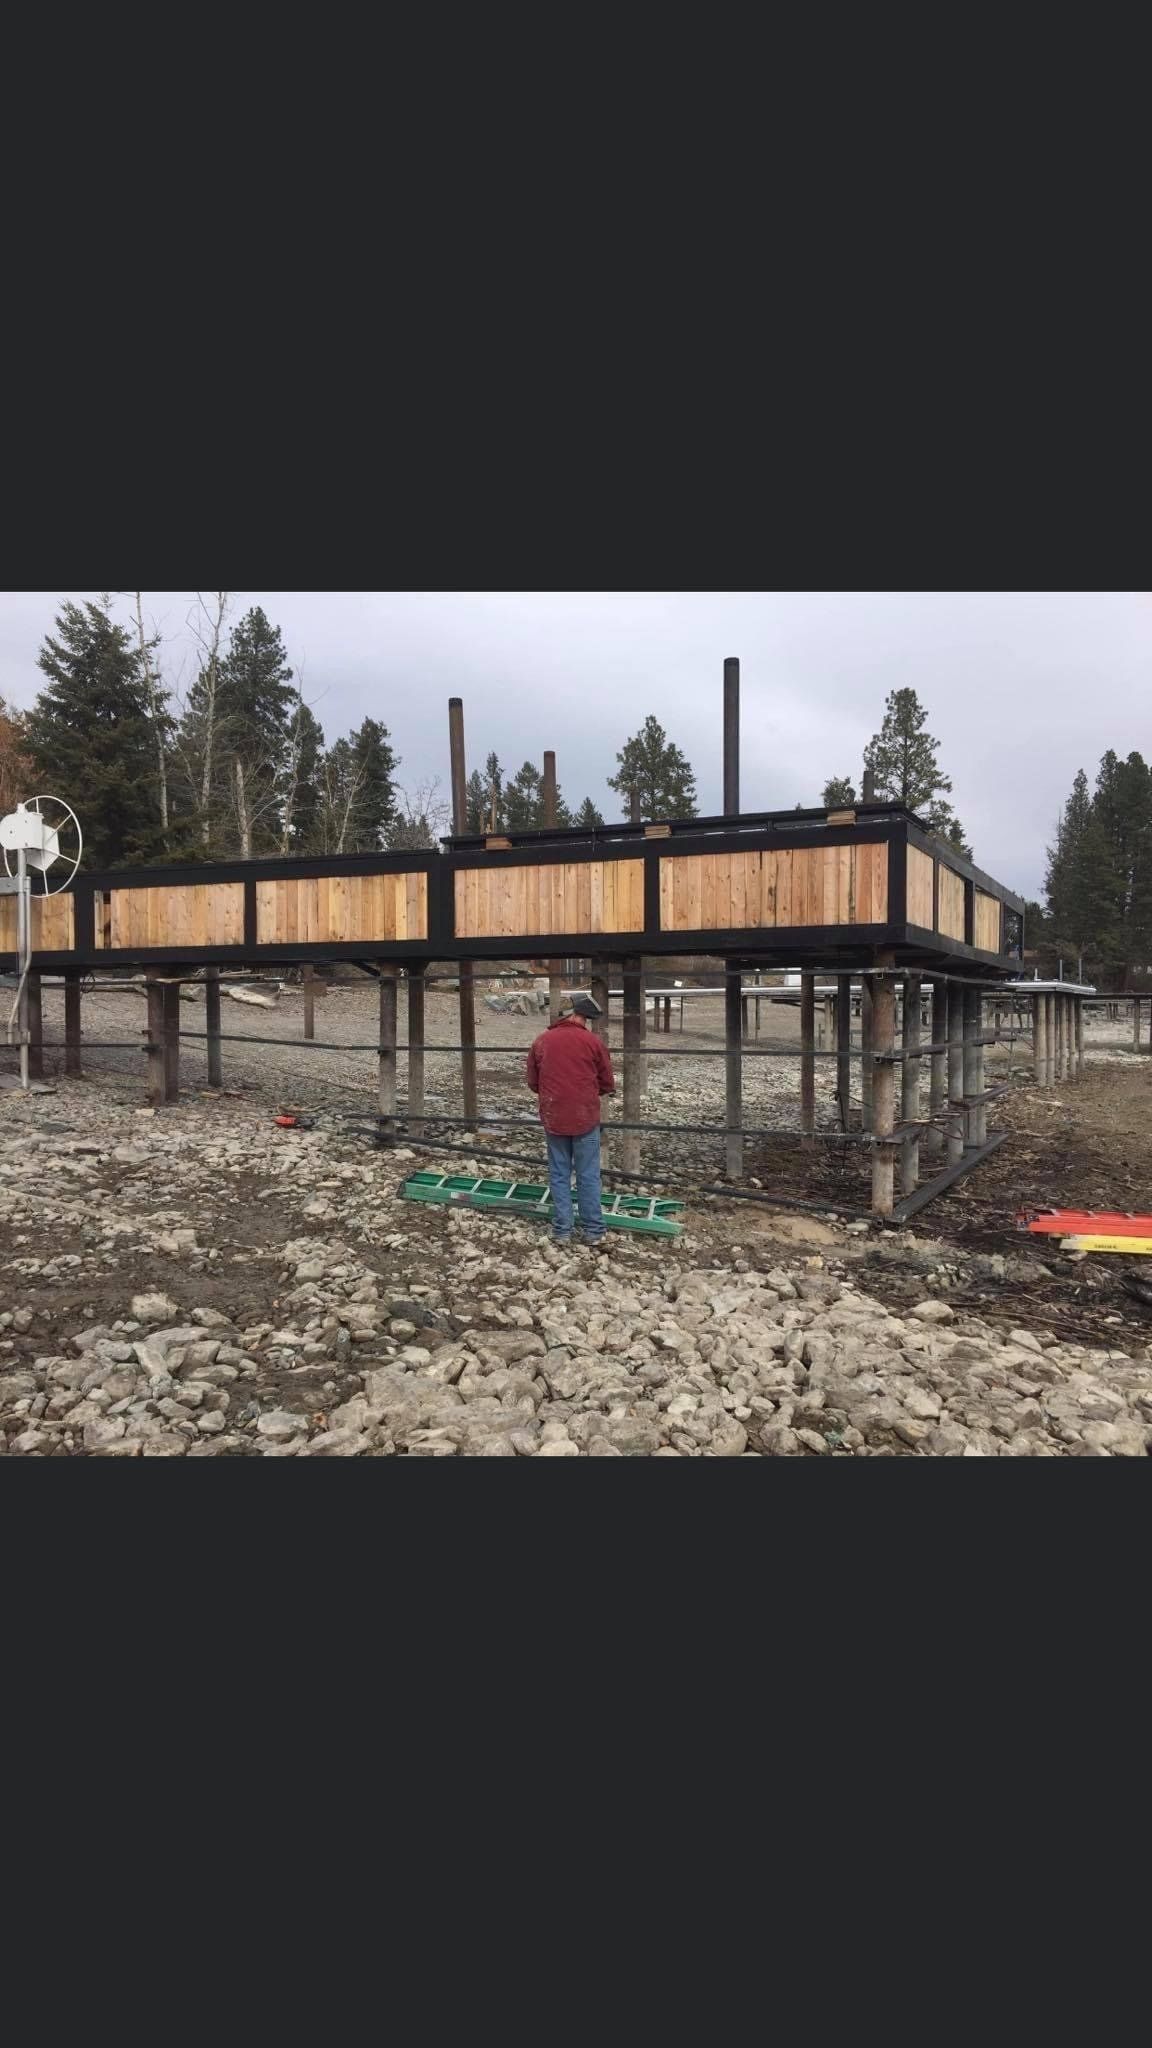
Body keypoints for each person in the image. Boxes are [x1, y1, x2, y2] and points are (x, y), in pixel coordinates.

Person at [525, 994, 615, 1247]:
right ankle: (593, 1231)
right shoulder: (592, 1042)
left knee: (559, 1173)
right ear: (580, 1016)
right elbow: (607, 1081)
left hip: (554, 1117)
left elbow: (533, 1082)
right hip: (584, 1116)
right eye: (586, 1019)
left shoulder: (541, 1041)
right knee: (588, 1175)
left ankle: (562, 1230)